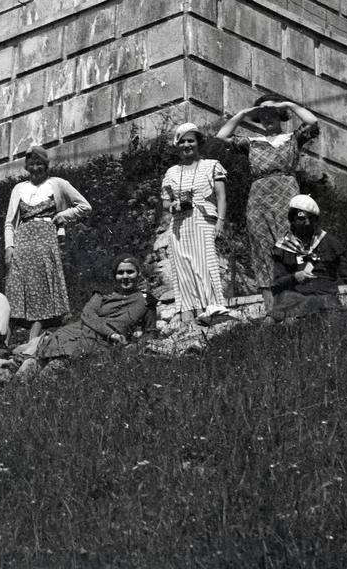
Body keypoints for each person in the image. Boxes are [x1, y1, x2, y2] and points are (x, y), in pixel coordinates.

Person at [215, 96, 320, 314]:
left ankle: (294, 307)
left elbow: (312, 123)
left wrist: (288, 104)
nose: (267, 118)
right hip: (258, 200)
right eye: (262, 115)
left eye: (272, 113)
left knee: (291, 247)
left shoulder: (292, 138)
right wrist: (245, 113)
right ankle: (272, 310)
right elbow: (221, 136)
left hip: (287, 196)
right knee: (262, 252)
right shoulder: (252, 142)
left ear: (280, 115)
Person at [3, 147, 91, 337]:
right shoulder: (19, 189)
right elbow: (10, 222)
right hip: (23, 239)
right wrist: (9, 246)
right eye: (32, 164)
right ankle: (7, 337)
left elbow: (84, 206)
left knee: (41, 284)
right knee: (15, 284)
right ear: (27, 167)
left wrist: (62, 215)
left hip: (46, 238)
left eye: (39, 164)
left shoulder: (57, 184)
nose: (36, 168)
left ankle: (33, 338)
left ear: (46, 165)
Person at [16, 255, 149, 370]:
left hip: (101, 343)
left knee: (56, 364)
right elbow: (88, 314)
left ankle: (33, 389)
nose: (125, 277)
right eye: (120, 273)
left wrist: (133, 346)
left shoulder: (146, 300)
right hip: (78, 331)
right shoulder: (104, 294)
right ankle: (15, 382)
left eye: (130, 272)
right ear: (115, 276)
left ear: (138, 273)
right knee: (35, 361)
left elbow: (150, 331)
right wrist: (111, 333)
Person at [160, 123, 229, 322]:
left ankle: (213, 311)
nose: (187, 145)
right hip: (179, 226)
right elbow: (165, 200)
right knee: (183, 269)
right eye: (182, 141)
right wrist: (171, 206)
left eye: (191, 140)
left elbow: (221, 196)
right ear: (177, 145)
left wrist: (220, 222)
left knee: (206, 265)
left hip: (203, 221)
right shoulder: (172, 172)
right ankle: (189, 316)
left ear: (198, 142)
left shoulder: (211, 165)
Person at [271, 195, 347, 320]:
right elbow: (277, 285)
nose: (306, 222)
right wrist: (295, 277)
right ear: (292, 220)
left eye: (310, 218)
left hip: (326, 300)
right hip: (296, 301)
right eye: (301, 218)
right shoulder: (283, 247)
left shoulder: (329, 242)